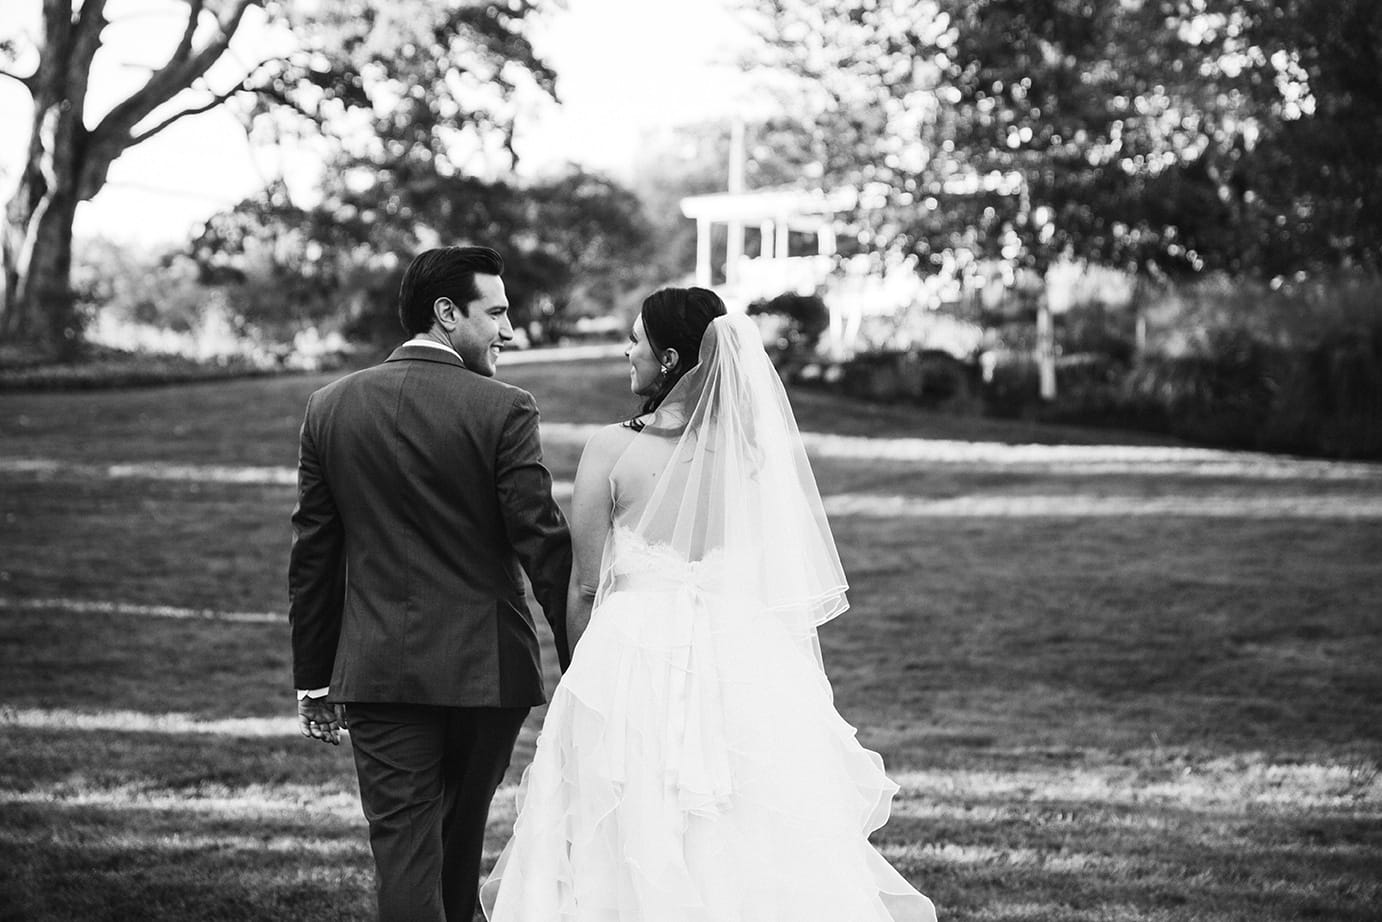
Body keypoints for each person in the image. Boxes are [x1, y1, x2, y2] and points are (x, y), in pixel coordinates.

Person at [481, 287, 936, 922]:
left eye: (637, 338)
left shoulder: (611, 449)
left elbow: (585, 586)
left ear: (669, 358)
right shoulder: (749, 455)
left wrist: (582, 678)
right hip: (739, 651)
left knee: (629, 807)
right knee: (740, 808)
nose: (627, 350)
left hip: (633, 652)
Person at [288, 245, 572, 922]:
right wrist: (583, 656)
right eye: (496, 313)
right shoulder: (504, 408)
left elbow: (314, 557)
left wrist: (314, 678)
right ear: (446, 313)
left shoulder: (329, 407)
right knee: (457, 842)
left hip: (379, 672)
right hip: (488, 671)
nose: (509, 331)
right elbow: (543, 543)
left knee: (406, 851)